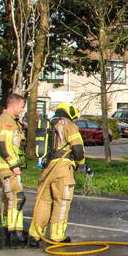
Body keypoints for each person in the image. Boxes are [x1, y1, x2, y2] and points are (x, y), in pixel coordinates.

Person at [28, 102, 88, 246]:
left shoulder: (48, 123)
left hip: (46, 168)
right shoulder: (69, 125)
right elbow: (78, 149)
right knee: (61, 202)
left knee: (43, 201)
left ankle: (35, 235)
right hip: (62, 168)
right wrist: (81, 164)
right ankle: (56, 236)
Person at [0, 93, 27, 246]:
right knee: (17, 198)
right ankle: (15, 233)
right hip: (8, 168)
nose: (22, 110)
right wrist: (13, 165)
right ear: (13, 105)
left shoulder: (12, 121)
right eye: (21, 106)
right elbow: (3, 145)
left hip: (8, 167)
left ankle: (10, 229)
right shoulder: (5, 121)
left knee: (8, 199)